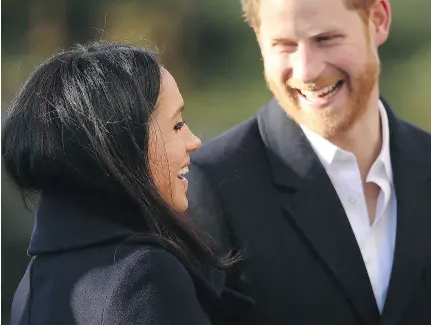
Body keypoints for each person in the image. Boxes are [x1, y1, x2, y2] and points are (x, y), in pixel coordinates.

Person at [187, 0, 431, 325]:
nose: (306, 71)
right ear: (258, 39)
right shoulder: (213, 186)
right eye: (284, 45)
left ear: (378, 20)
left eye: (326, 39)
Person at [2, 41, 252, 325]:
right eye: (176, 125)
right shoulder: (143, 279)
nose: (194, 141)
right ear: (120, 147)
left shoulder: (34, 282)